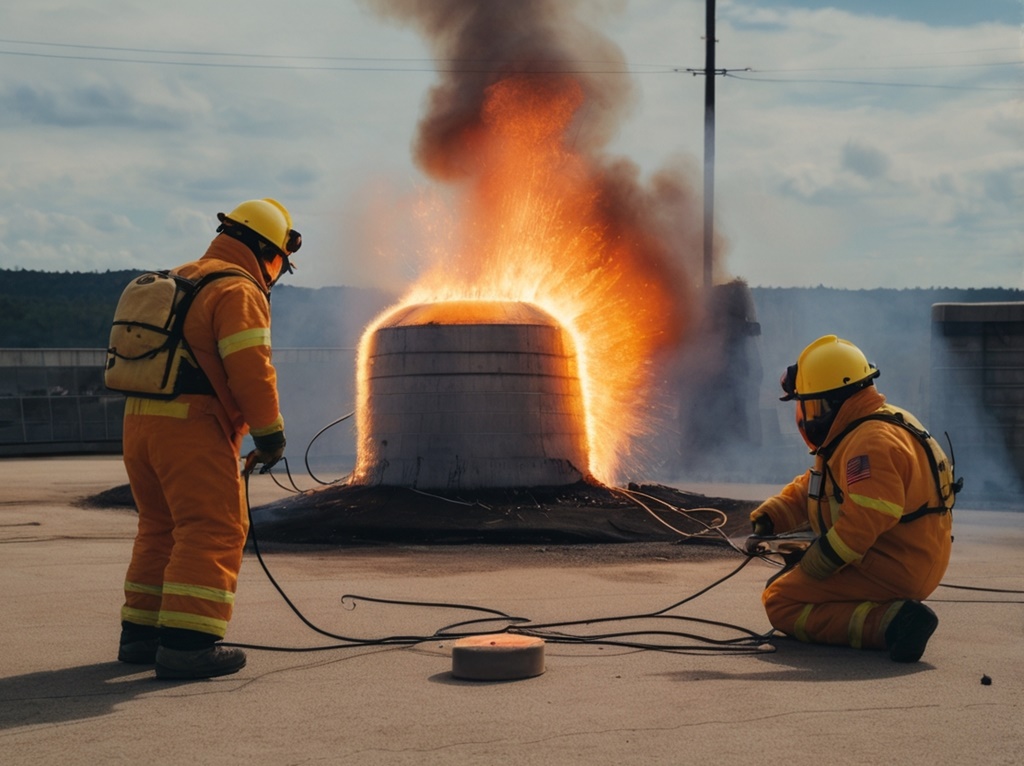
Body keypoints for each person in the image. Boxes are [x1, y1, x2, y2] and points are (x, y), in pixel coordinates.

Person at [116, 198, 301, 679]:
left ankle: (141, 635)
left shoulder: (182, 276)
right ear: (265, 250)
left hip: (140, 422)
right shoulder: (238, 290)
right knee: (212, 528)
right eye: (281, 260)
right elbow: (251, 372)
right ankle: (188, 646)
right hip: (191, 425)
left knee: (160, 527)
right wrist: (271, 436)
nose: (278, 273)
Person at [749, 335, 957, 663]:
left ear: (830, 403)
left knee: (781, 601)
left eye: (810, 405)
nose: (806, 416)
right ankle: (888, 612)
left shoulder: (869, 444)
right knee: (789, 579)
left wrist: (817, 563)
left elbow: (868, 518)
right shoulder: (859, 431)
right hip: (898, 555)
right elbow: (815, 488)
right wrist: (773, 516)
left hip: (891, 566)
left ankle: (891, 624)